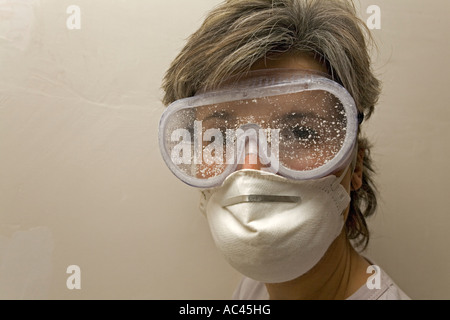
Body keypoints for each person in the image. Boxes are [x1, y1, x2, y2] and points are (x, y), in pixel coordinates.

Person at [159, 0, 411, 300]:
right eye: (221, 137)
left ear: (355, 165)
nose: (251, 168)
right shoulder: (253, 289)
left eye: (299, 132)